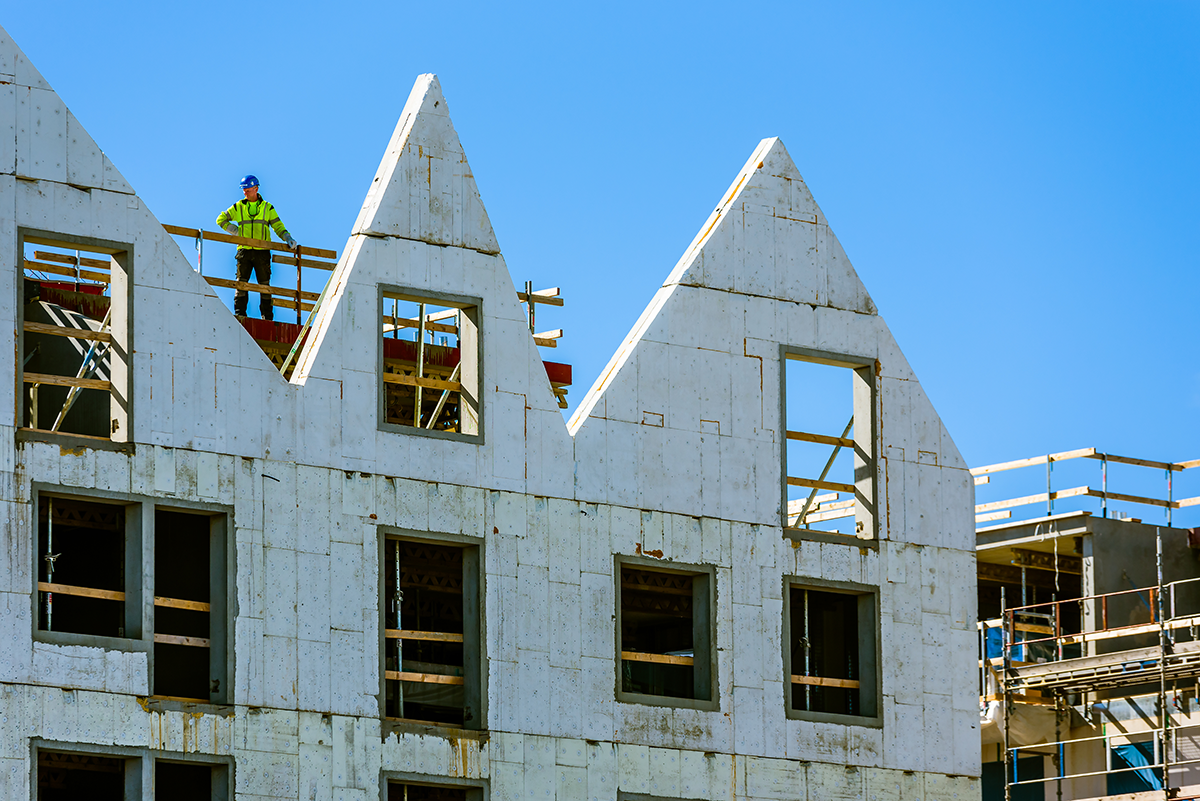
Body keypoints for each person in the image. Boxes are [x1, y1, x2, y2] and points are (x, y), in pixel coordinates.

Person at [216, 175, 297, 321]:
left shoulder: (267, 208)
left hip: (262, 252)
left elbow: (278, 227)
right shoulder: (238, 207)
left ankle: (267, 317)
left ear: (256, 189)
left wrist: (288, 238)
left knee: (264, 285)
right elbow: (220, 219)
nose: (245, 192)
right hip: (244, 251)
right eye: (243, 189)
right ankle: (240, 314)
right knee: (241, 283)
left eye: (247, 189)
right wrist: (236, 231)